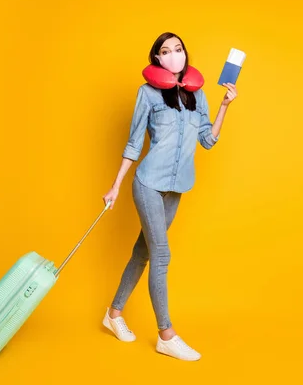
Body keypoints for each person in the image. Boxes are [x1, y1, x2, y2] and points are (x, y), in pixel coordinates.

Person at [101, 32, 238, 361]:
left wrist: (223, 106)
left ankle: (113, 315)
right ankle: (167, 334)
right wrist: (117, 184)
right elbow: (134, 143)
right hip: (148, 183)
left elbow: (207, 140)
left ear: (184, 54)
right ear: (157, 59)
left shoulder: (198, 95)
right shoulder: (147, 94)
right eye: (166, 51)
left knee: (143, 253)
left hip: (176, 187)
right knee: (161, 256)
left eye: (178, 49)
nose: (174, 54)